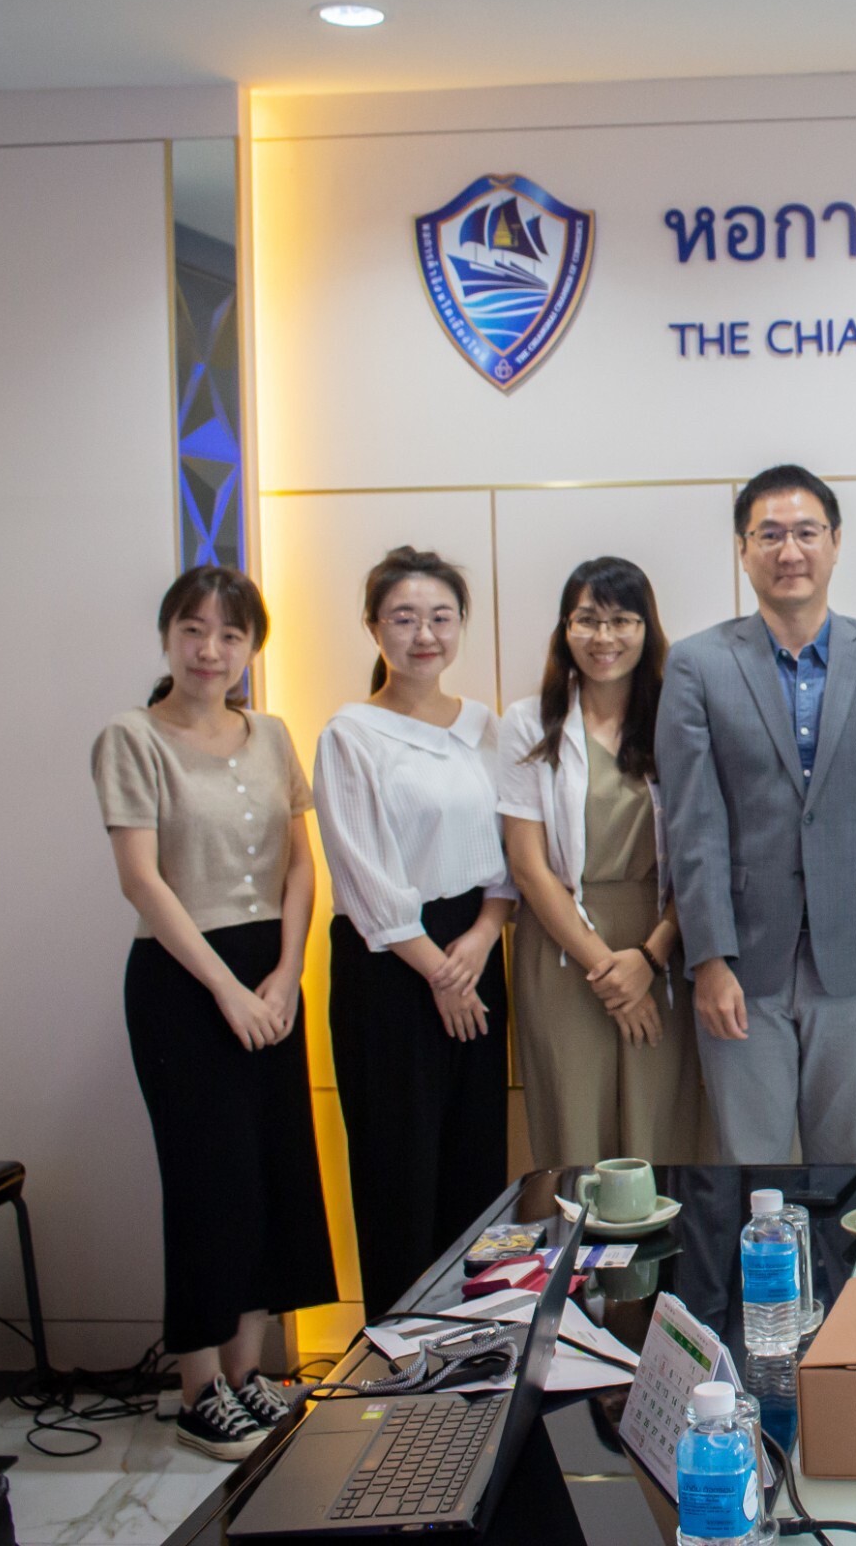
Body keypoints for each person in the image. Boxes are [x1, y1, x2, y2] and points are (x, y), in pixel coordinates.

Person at [93, 566, 336, 1460]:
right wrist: (228, 990)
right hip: (181, 980)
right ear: (167, 636)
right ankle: (197, 1386)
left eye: (231, 636)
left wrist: (283, 975)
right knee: (207, 1181)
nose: (211, 650)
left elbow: (301, 866)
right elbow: (141, 881)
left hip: (270, 969)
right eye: (193, 630)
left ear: (251, 648)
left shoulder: (272, 734)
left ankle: (247, 1372)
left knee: (275, 1170)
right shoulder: (131, 737)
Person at [655, 465, 856, 1163]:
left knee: (845, 1167)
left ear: (835, 542)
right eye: (770, 535)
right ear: (743, 549)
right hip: (744, 958)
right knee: (751, 1168)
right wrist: (710, 958)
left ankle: (841, 1277)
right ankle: (762, 1280)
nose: (790, 551)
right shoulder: (696, 665)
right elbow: (693, 826)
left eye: (806, 533)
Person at [315, 546, 515, 1320]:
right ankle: (399, 1353)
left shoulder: (484, 727)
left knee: (473, 1158)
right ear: (373, 626)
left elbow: (507, 851)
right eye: (403, 617)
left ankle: (472, 1341)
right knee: (399, 1166)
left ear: (461, 624)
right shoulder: (351, 734)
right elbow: (365, 875)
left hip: (474, 945)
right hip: (390, 967)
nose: (423, 634)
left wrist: (481, 940)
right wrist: (439, 971)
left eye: (440, 616)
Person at [499, 557, 709, 1170]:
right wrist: (610, 974)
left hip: (661, 939)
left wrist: (649, 959)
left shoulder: (679, 714)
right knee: (574, 1126)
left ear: (648, 629)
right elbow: (529, 866)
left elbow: (703, 851)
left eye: (622, 620)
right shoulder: (529, 722)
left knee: (659, 1125)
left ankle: (662, 1269)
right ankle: (582, 1267)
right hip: (563, 945)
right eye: (586, 620)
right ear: (565, 630)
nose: (604, 638)